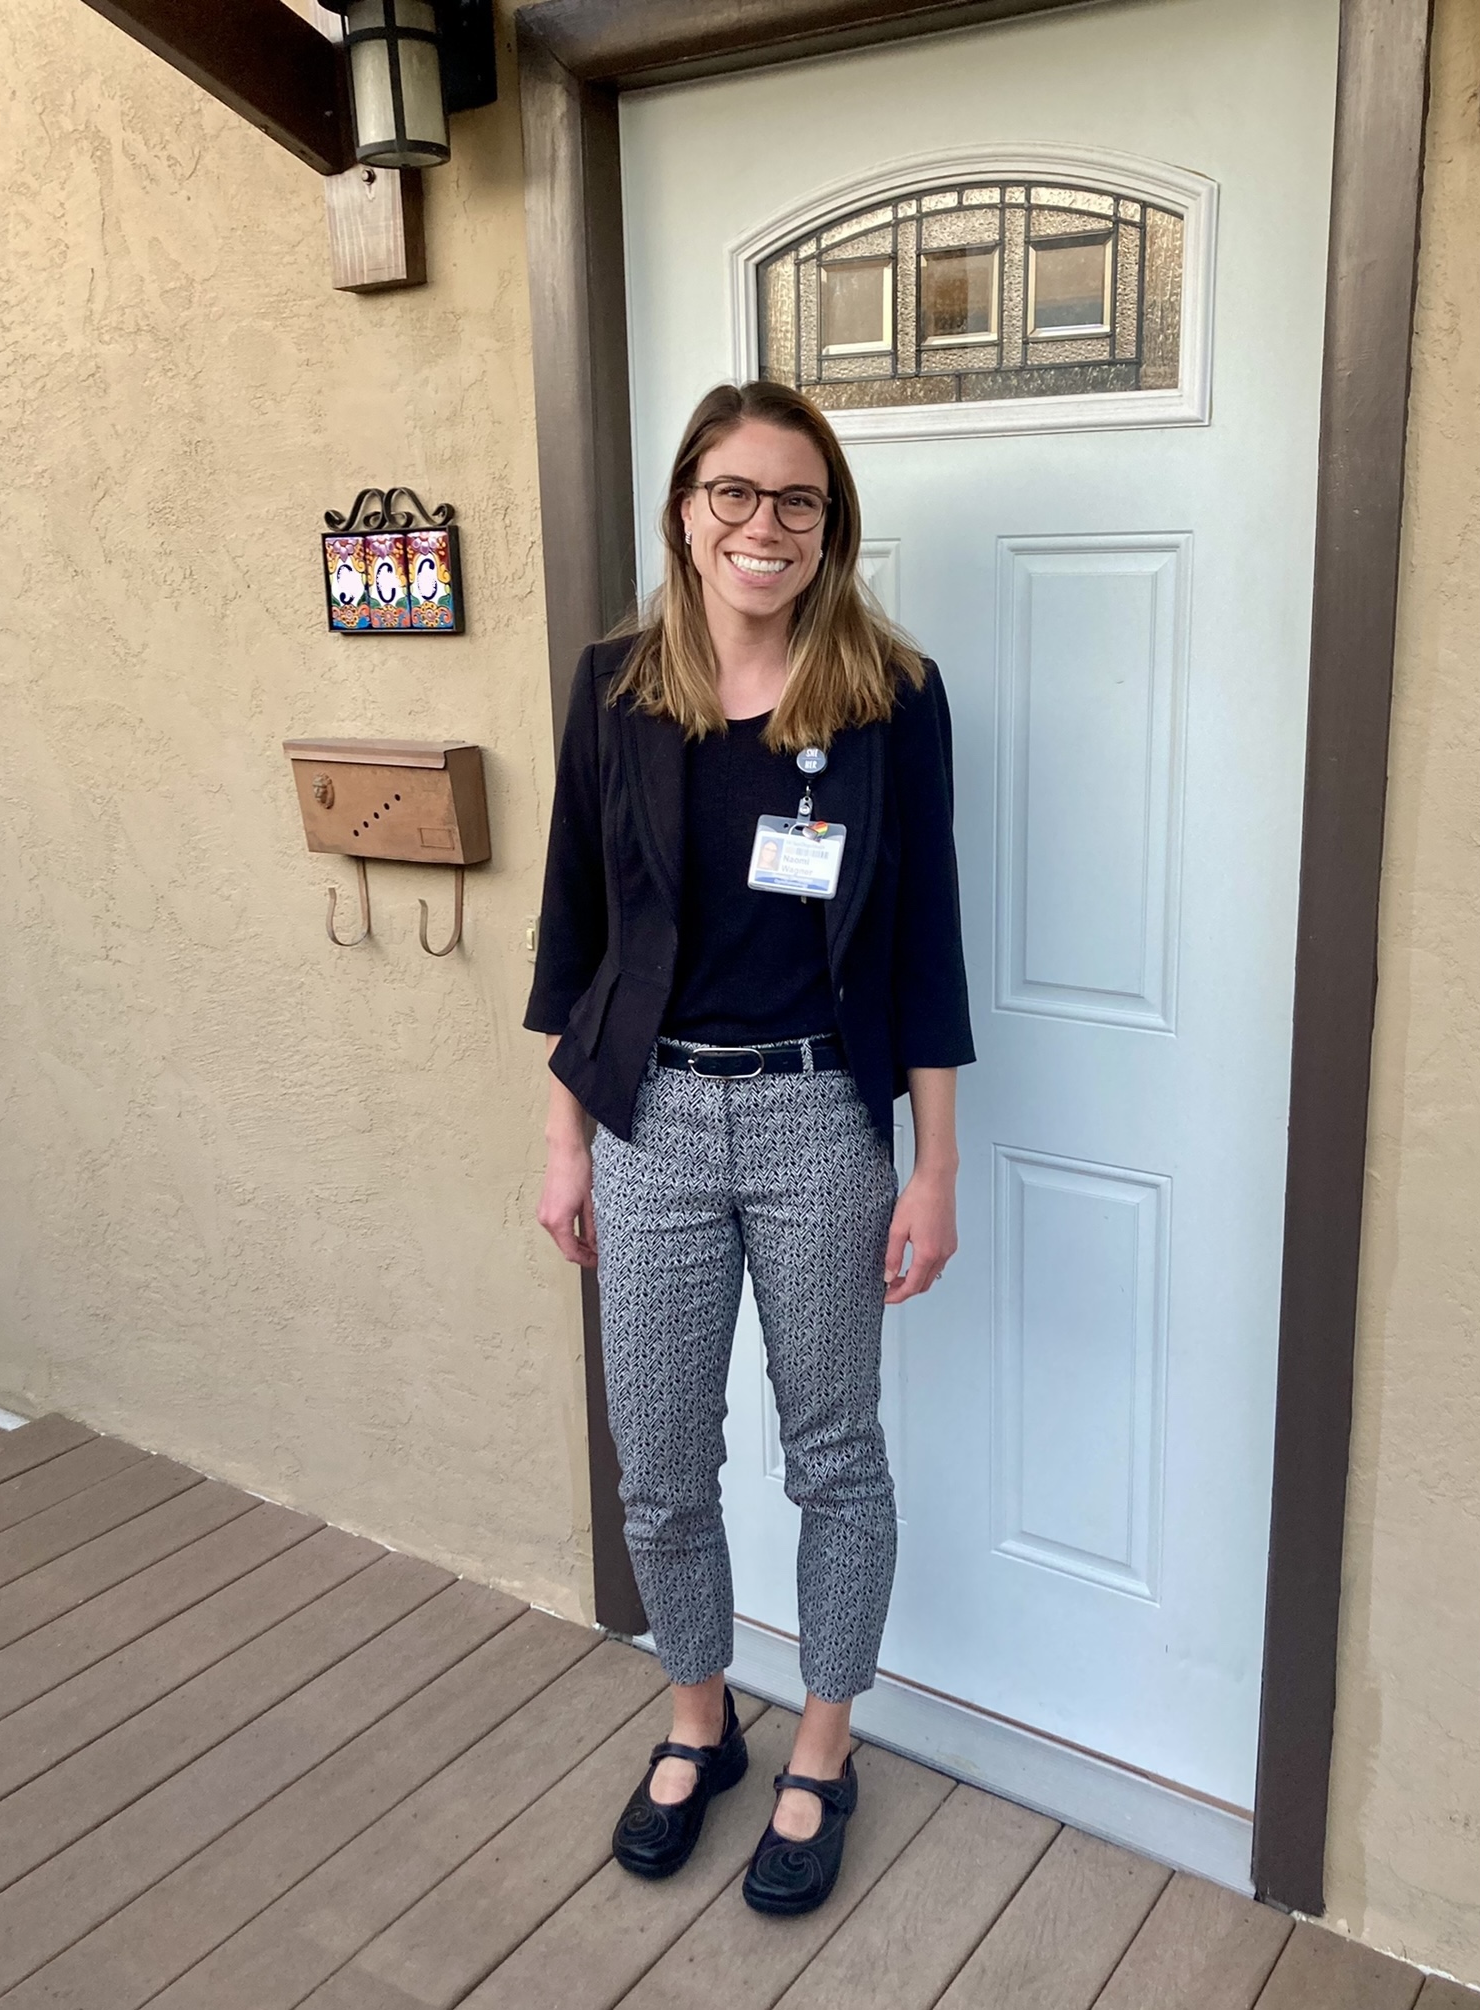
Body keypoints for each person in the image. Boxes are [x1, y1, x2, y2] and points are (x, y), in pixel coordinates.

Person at [524, 378, 974, 1917]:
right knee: (659, 1455)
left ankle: (824, 1747)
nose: (762, 525)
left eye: (797, 499)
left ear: (829, 525)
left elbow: (925, 946)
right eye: (735, 491)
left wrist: (934, 1165)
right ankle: (701, 1716)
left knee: (833, 1452)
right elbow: (575, 931)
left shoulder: (892, 698)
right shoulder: (614, 689)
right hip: (647, 1115)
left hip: (817, 1117)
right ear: (685, 508)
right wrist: (566, 1141)